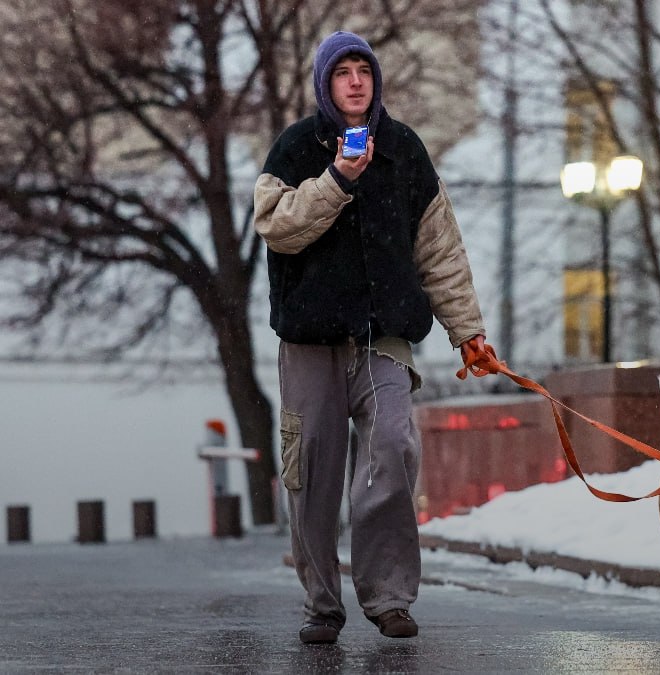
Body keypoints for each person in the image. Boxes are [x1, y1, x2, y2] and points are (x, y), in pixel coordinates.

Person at [253, 30, 492, 645]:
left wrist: (468, 333)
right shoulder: (296, 148)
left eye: (363, 70)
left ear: (375, 81)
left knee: (393, 445)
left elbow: (440, 251)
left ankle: (388, 597)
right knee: (312, 472)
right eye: (342, 72)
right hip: (309, 342)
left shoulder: (405, 150)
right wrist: (337, 178)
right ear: (324, 85)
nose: (355, 81)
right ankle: (322, 605)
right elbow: (276, 227)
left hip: (382, 338)